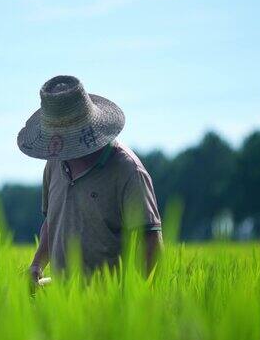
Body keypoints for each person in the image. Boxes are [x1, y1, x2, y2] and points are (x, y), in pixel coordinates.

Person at [17, 75, 163, 281]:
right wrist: (36, 265)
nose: (64, 147)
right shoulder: (54, 163)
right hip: (63, 300)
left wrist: (136, 304)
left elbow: (151, 245)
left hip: (110, 305)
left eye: (69, 136)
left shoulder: (127, 171)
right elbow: (52, 222)